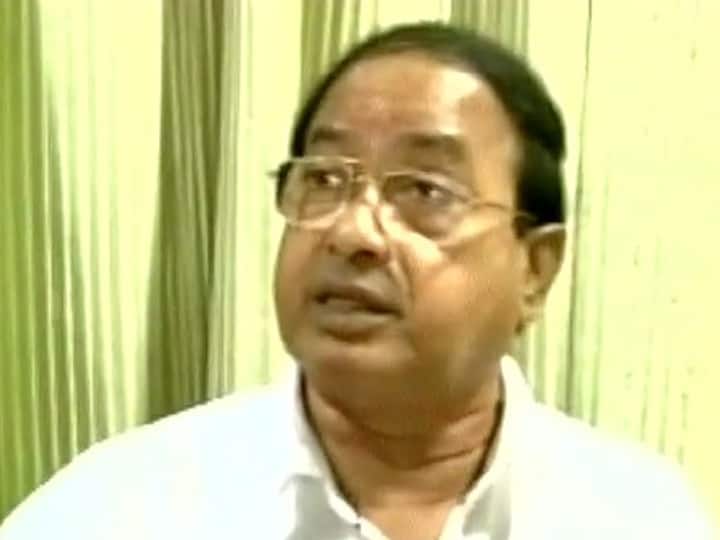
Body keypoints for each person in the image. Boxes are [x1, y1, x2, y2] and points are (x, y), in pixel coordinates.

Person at [0, 22, 714, 540]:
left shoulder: (640, 517)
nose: (352, 232)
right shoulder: (119, 510)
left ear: (535, 268)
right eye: (324, 179)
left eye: (425, 190)